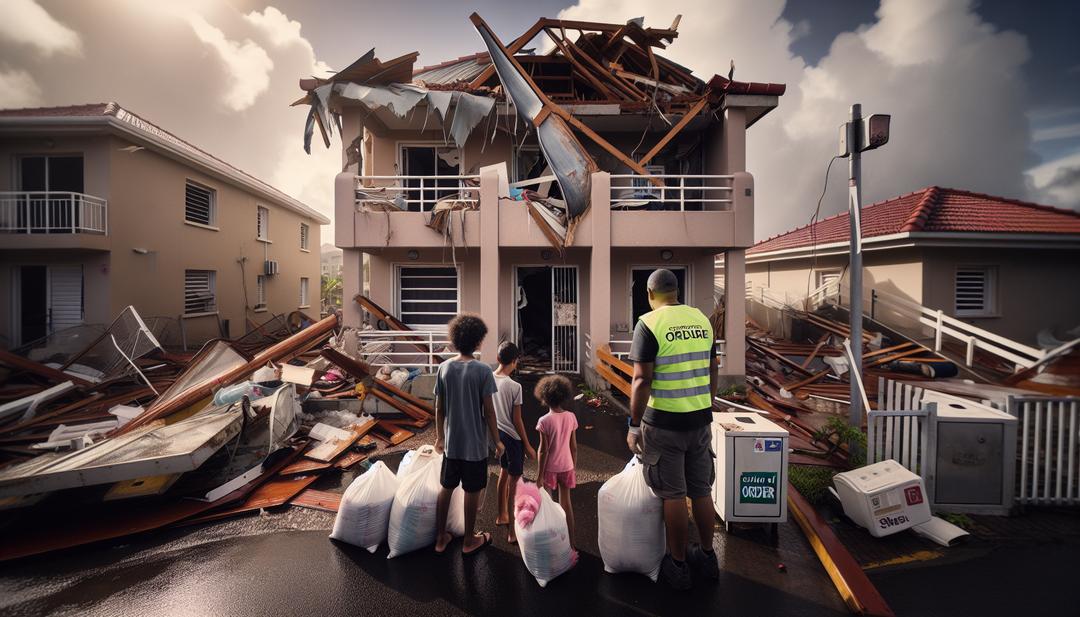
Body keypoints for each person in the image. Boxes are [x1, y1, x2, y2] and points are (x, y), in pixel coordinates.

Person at [626, 268, 719, 589]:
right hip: (700, 420)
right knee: (702, 490)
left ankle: (677, 564)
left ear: (650, 295)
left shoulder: (649, 324)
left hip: (664, 424)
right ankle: (707, 557)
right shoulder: (701, 320)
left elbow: (641, 380)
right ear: (676, 291)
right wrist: (706, 403)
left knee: (674, 494)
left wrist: (634, 425)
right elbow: (712, 367)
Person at [433, 313, 505, 555]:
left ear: (455, 340)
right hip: (474, 446)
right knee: (471, 490)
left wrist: (440, 437)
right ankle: (469, 540)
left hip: (452, 444)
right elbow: (489, 412)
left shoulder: (444, 368)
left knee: (446, 487)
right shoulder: (483, 371)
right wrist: (497, 441)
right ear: (477, 342)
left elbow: (439, 408)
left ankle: (441, 537)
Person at [492, 342, 536, 544]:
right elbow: (517, 420)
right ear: (514, 361)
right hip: (513, 438)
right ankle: (512, 531)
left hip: (499, 435)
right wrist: (527, 445)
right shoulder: (514, 386)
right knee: (514, 482)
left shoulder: (489, 379)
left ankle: (502, 515)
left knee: (503, 473)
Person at [534, 374, 579, 549]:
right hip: (567, 466)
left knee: (549, 506)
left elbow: (543, 450)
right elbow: (573, 446)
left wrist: (538, 476)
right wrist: (573, 467)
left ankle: (553, 543)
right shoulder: (571, 417)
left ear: (544, 397)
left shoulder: (544, 421)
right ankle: (572, 542)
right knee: (566, 504)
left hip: (550, 469)